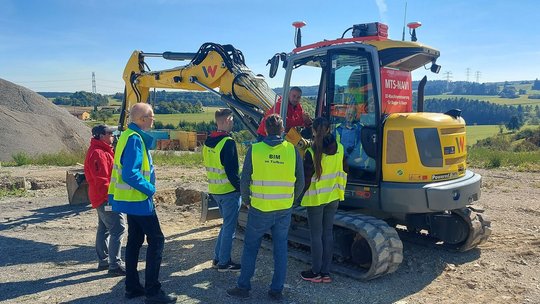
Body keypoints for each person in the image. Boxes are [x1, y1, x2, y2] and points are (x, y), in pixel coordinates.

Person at [227, 114, 304, 301]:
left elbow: (245, 179)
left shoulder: (255, 150)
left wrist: (247, 200)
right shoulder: (292, 151)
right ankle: (276, 291)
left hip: (260, 209)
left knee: (251, 248)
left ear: (265, 130)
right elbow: (301, 182)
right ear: (283, 129)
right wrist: (292, 201)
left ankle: (243, 287)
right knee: (280, 250)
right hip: (283, 209)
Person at [108, 103, 177, 304]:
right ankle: (153, 292)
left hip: (129, 201)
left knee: (135, 241)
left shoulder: (127, 136)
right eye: (151, 117)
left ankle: (132, 287)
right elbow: (130, 173)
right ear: (141, 119)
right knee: (157, 240)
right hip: (138, 200)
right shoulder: (135, 139)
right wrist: (150, 189)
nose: (153, 120)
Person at [300, 117, 348, 284]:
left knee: (316, 235)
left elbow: (305, 181)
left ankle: (315, 271)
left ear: (313, 130)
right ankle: (325, 273)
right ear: (329, 130)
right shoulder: (340, 149)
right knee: (327, 234)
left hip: (315, 199)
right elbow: (345, 171)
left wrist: (296, 198)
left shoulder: (311, 152)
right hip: (333, 197)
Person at [84, 124, 126, 276]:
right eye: (110, 133)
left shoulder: (102, 151)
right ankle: (114, 264)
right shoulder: (99, 154)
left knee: (104, 229)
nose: (113, 136)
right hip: (105, 197)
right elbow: (102, 180)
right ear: (101, 135)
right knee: (118, 228)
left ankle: (104, 260)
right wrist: (111, 198)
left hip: (100, 197)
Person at [203, 108, 241, 272]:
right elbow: (232, 173)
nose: (233, 122)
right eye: (231, 120)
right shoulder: (228, 142)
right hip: (229, 191)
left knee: (226, 226)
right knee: (229, 228)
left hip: (215, 190)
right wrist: (242, 191)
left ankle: (218, 258)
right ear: (226, 120)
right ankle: (224, 262)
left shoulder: (208, 141)